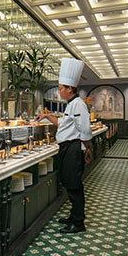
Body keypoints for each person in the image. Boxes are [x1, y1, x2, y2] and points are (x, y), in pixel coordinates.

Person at [35, 58, 92, 234]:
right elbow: (61, 123)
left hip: (73, 148)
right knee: (69, 183)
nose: (59, 91)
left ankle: (78, 222)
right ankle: (74, 216)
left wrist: (86, 149)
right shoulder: (71, 105)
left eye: (61, 88)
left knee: (74, 186)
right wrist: (46, 116)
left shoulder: (78, 104)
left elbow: (85, 129)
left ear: (70, 89)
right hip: (68, 148)